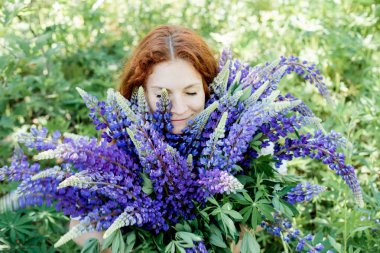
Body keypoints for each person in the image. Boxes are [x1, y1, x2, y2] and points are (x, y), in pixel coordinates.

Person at [70, 24, 223, 251]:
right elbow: (78, 228)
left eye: (191, 92)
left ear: (207, 88)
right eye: (162, 95)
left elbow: (256, 220)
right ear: (139, 90)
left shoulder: (227, 126)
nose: (179, 108)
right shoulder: (122, 138)